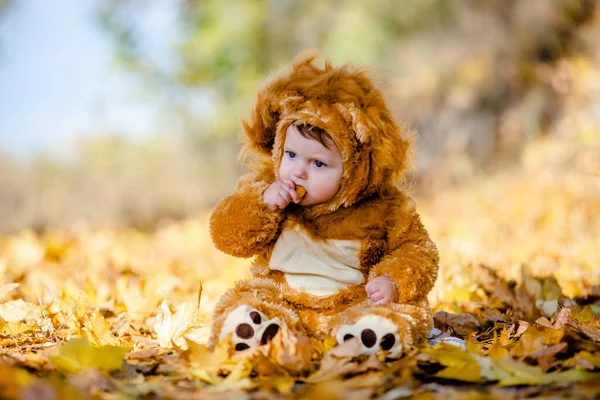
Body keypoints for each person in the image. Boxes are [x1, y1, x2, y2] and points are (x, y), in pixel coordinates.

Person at [207, 53, 439, 358]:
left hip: (352, 303)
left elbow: (417, 252)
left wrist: (392, 281)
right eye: (291, 155)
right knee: (250, 298)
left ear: (354, 167)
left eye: (317, 162)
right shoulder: (266, 190)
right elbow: (226, 235)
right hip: (283, 299)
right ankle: (257, 330)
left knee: (404, 308)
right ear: (278, 147)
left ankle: (369, 334)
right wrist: (261, 205)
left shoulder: (384, 208)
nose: (299, 171)